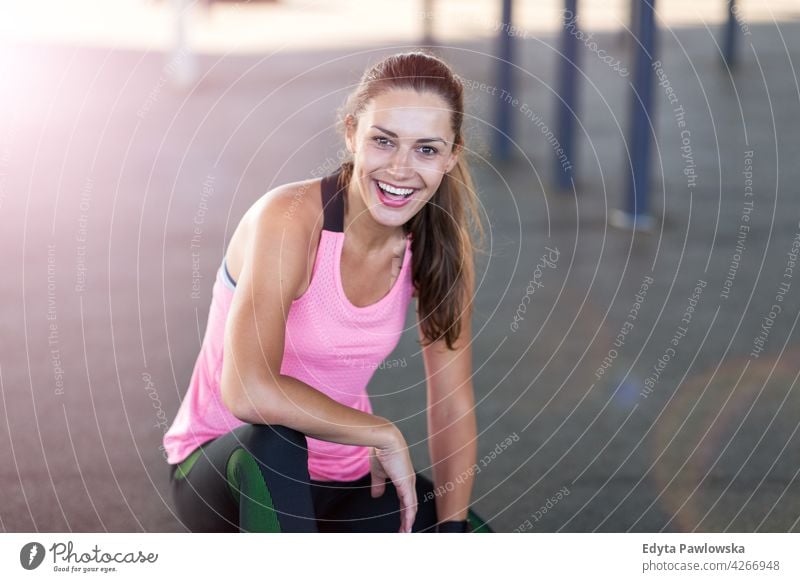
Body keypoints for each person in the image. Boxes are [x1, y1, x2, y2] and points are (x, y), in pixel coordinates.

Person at [163, 51, 491, 533]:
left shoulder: (436, 247)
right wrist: (377, 430)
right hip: (233, 467)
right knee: (278, 442)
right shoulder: (292, 219)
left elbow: (452, 403)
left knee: (470, 538)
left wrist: (453, 529)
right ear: (352, 133)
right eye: (384, 141)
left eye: (426, 149)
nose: (401, 169)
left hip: (345, 478)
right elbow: (248, 389)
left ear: (452, 155)